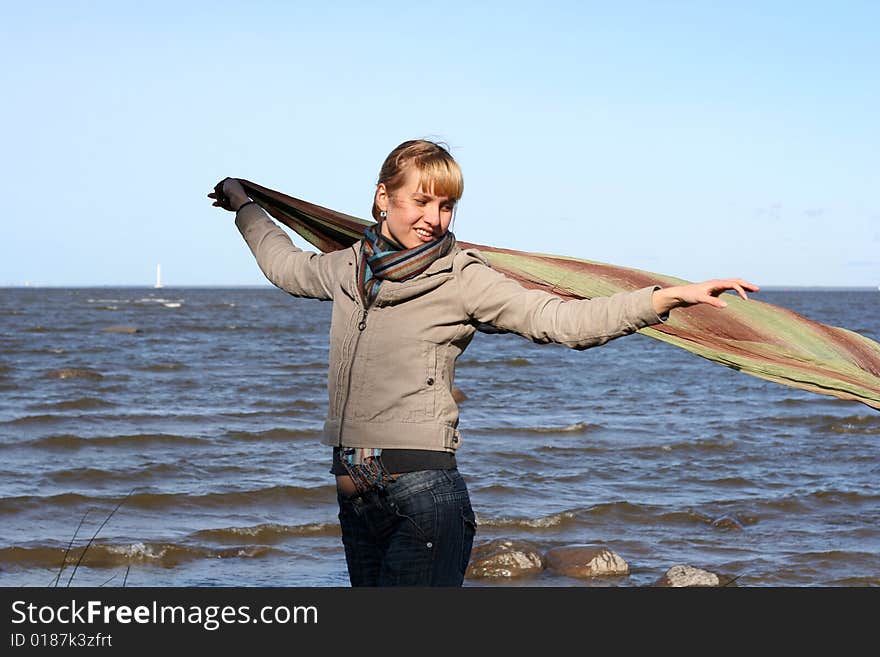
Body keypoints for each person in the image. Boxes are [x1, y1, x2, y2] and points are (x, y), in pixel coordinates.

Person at [209, 139, 758, 586]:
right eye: (420, 202)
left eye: (445, 205)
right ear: (383, 198)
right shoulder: (347, 269)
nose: (434, 217)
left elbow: (560, 321)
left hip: (423, 498)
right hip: (356, 497)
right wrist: (245, 205)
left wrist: (659, 299)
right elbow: (282, 264)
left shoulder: (462, 276)